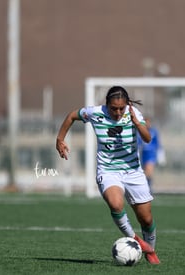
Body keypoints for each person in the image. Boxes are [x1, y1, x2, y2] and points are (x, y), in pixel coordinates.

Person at [55, 86, 160, 264]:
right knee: (116, 204)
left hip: (133, 171)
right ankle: (139, 242)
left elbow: (147, 138)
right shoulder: (95, 113)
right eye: (113, 108)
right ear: (107, 105)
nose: (118, 112)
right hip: (108, 170)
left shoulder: (134, 113)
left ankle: (150, 250)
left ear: (126, 105)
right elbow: (72, 115)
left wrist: (136, 123)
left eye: (121, 108)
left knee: (146, 219)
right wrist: (60, 139)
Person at [138, 117, 163, 193]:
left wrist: (160, 155)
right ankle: (146, 188)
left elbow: (157, 143)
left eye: (148, 122)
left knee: (149, 171)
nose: (147, 124)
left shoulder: (154, 132)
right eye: (145, 123)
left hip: (151, 153)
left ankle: (148, 189)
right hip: (143, 154)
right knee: (144, 172)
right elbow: (138, 143)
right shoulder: (140, 132)